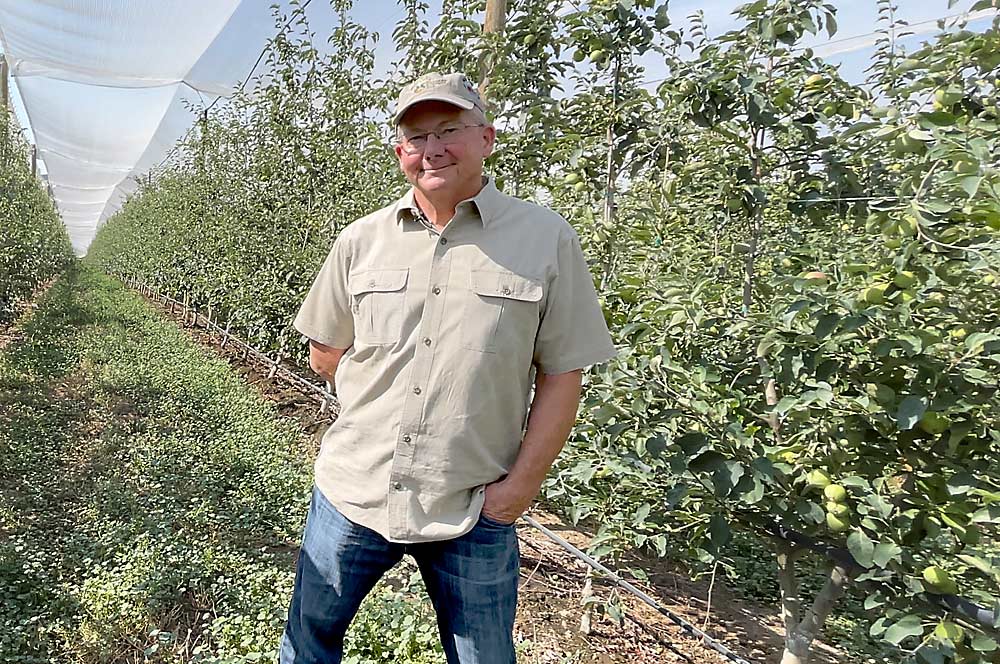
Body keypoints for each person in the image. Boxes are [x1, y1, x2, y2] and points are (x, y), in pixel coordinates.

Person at [280, 71, 616, 664]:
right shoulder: (361, 241)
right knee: (310, 641)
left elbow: (564, 374)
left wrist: (519, 490)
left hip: (473, 504)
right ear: (399, 152)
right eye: (416, 137)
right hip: (355, 490)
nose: (432, 149)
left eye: (450, 130)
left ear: (486, 137)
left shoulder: (545, 239)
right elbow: (325, 352)